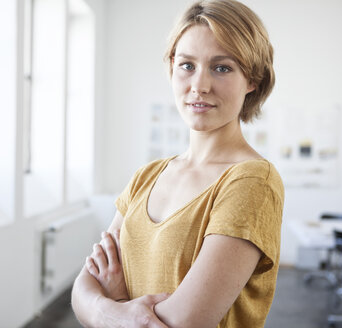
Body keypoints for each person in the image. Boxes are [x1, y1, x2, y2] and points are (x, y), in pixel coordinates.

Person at [71, 0, 284, 327]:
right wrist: (110, 310)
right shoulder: (148, 176)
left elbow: (183, 323)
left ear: (252, 78)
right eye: (187, 65)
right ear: (172, 68)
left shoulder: (252, 181)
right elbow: (83, 288)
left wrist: (112, 303)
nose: (199, 85)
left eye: (222, 67)